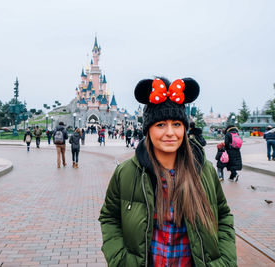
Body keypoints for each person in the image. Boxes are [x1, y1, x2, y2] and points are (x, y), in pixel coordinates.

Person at [99, 77, 236, 266]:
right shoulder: (127, 173)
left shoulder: (204, 171)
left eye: (177, 124)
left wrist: (224, 262)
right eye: (161, 124)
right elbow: (110, 217)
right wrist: (122, 260)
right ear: (148, 129)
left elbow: (223, 217)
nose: (170, 132)